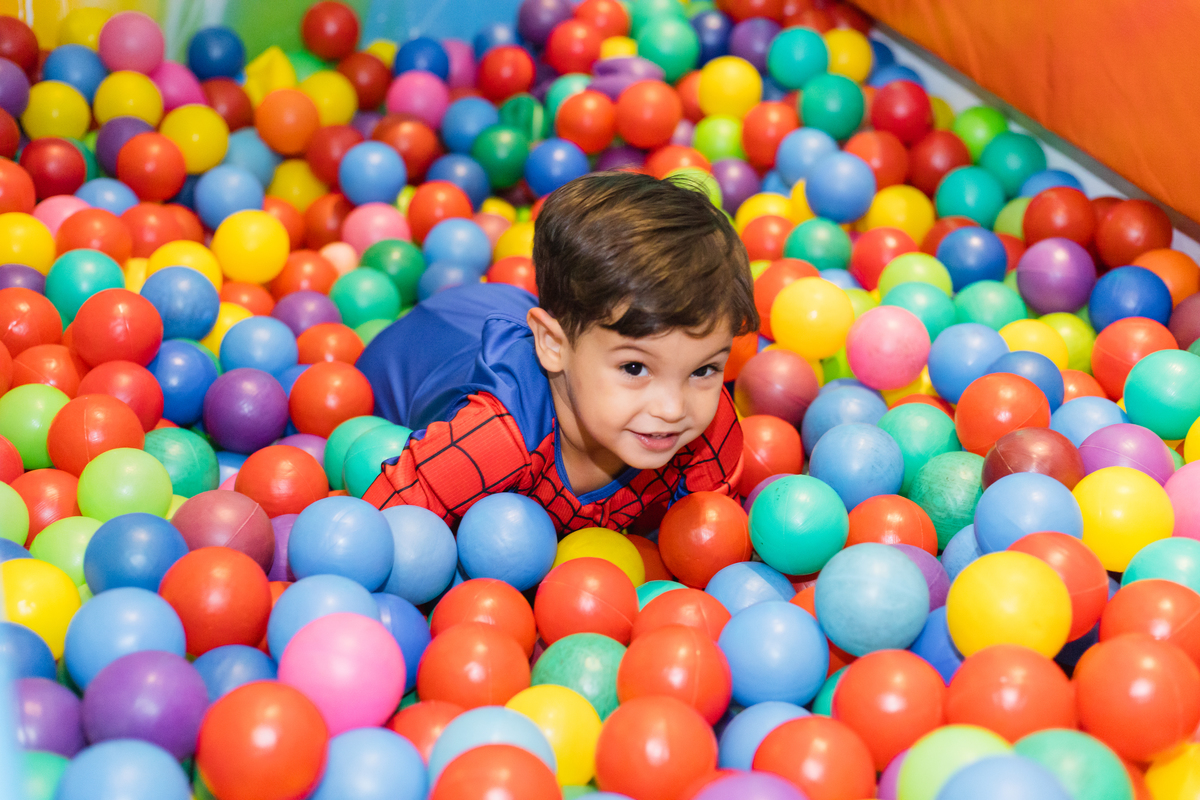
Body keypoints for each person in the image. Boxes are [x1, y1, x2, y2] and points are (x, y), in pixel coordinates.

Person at [356, 170, 758, 534]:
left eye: (703, 370)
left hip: (543, 317)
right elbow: (377, 534)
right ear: (551, 345)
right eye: (635, 367)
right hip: (419, 345)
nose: (673, 408)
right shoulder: (497, 438)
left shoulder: (708, 434)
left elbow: (711, 545)